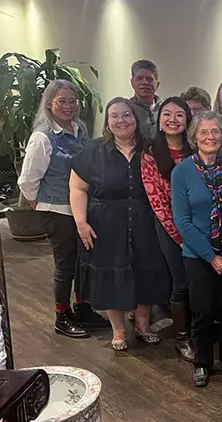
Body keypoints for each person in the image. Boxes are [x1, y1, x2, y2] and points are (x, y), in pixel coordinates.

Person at [70, 97, 170, 351]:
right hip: (105, 225)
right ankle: (118, 330)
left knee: (146, 272)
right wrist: (81, 222)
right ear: (107, 121)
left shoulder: (151, 149)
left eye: (126, 115)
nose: (121, 121)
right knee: (111, 275)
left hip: (146, 222)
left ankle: (143, 325)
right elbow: (78, 188)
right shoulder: (94, 150)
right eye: (114, 116)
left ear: (135, 119)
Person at [17, 79, 109, 338]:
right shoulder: (43, 137)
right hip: (56, 211)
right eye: (62, 101)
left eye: (72, 101)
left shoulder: (80, 128)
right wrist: (39, 203)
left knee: (83, 262)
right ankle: (62, 315)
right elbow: (27, 179)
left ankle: (82, 308)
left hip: (81, 209)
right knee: (65, 265)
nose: (68, 106)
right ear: (49, 104)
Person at [172, 111, 222, 387]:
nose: (210, 137)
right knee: (203, 312)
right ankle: (202, 362)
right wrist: (212, 257)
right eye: (204, 132)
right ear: (194, 138)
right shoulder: (181, 172)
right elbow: (182, 221)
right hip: (199, 257)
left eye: (216, 132)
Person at [141, 97, 195, 361]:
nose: (173, 120)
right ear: (159, 120)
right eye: (167, 115)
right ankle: (183, 336)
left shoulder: (195, 149)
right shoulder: (151, 154)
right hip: (170, 227)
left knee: (201, 279)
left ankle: (201, 329)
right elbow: (158, 203)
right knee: (181, 281)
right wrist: (180, 237)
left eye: (179, 115)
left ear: (188, 121)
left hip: (200, 226)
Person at [129, 59, 162, 139]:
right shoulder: (126, 109)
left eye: (150, 79)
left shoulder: (165, 108)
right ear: (132, 82)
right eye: (139, 78)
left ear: (157, 84)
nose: (145, 82)